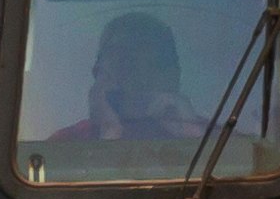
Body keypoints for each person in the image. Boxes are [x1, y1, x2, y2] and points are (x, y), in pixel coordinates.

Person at [53, 11, 197, 148]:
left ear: (175, 74)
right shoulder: (62, 146)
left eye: (155, 64)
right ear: (99, 75)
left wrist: (191, 133)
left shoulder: (216, 143)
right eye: (128, 64)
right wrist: (109, 132)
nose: (142, 79)